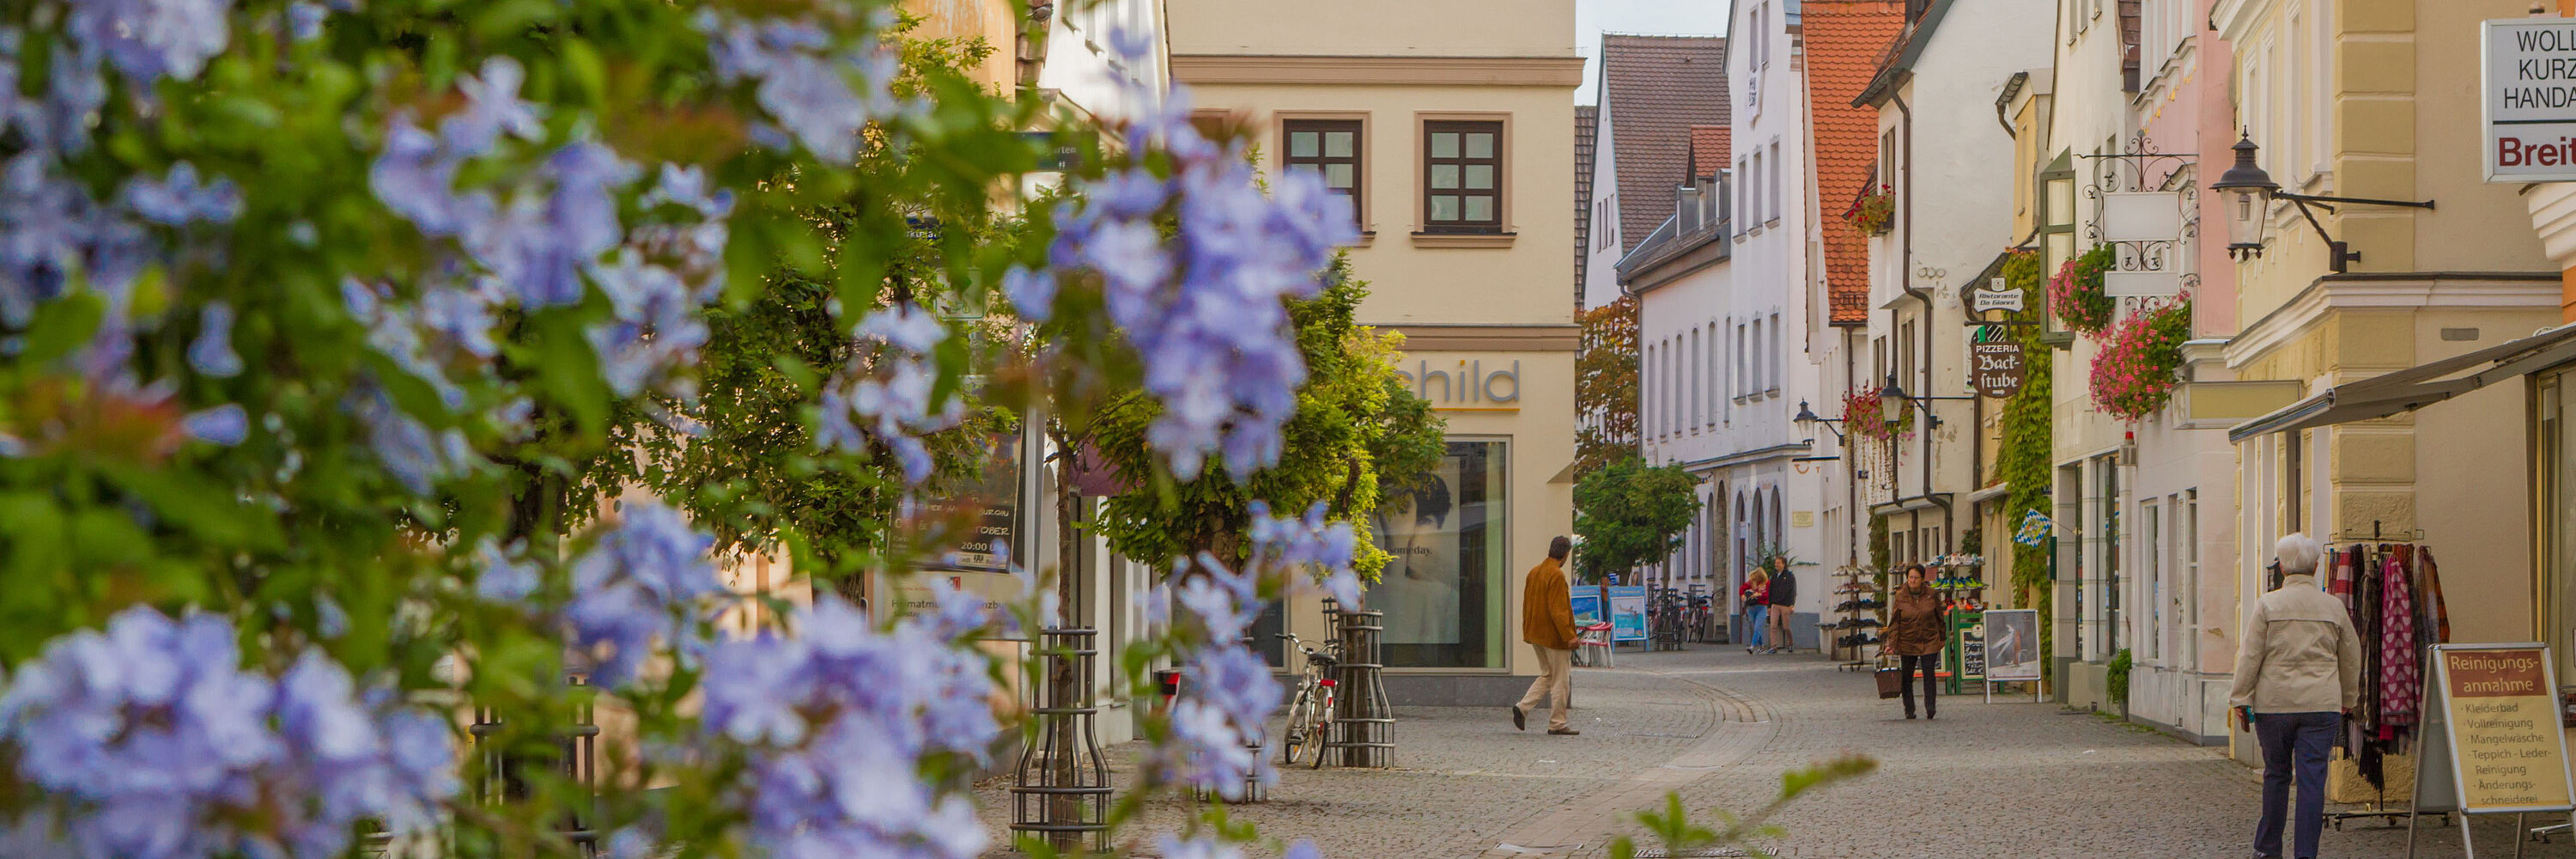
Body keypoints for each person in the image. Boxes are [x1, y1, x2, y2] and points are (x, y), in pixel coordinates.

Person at [2229, 533, 2361, 859]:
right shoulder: (2333, 606)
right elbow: (2351, 655)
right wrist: (2348, 697)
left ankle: (2268, 848)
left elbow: (2250, 656)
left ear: (2282, 567)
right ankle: (2306, 854)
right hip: (2321, 705)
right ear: (2316, 567)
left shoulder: (2268, 604)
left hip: (2274, 705)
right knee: (2312, 780)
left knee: (2275, 774)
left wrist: (2240, 697)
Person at [1512, 536, 1581, 735]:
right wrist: (1570, 636)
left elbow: (1527, 604)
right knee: (1560, 679)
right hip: (1554, 637)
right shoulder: (1556, 575)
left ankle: (1523, 707)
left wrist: (1528, 630)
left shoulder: (1535, 572)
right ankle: (1557, 723)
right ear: (1566, 554)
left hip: (1536, 634)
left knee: (1548, 675)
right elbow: (1558, 611)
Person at [1885, 564, 1947, 720]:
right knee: (1907, 676)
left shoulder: (1931, 595)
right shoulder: (1900, 597)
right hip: (1908, 641)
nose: (1913, 580)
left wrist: (1942, 637)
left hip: (1929, 640)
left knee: (1928, 673)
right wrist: (1892, 644)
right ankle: (1909, 708)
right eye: (1910, 577)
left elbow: (1940, 618)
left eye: (1916, 578)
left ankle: (1930, 707)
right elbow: (1895, 623)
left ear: (1922, 579)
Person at [1764, 556, 1797, 654]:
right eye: (1776, 563)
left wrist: (1792, 604)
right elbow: (1771, 591)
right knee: (1773, 626)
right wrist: (1769, 606)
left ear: (1783, 564)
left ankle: (1790, 643)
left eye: (1778, 563)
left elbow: (1792, 590)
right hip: (1775, 604)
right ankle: (1774, 647)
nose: (1776, 565)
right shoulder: (1774, 576)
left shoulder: (1789, 576)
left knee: (1786, 626)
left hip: (1785, 604)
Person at [1741, 567, 1771, 654]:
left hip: (1762, 607)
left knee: (1758, 627)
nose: (1755, 580)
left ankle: (1752, 646)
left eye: (1757, 578)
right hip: (1752, 607)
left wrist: (1759, 595)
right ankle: (1762, 646)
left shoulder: (1767, 583)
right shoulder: (1751, 582)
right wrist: (1743, 595)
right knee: (1756, 628)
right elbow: (1742, 589)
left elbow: (1768, 594)